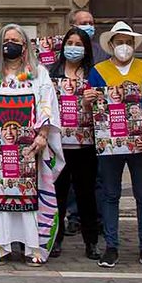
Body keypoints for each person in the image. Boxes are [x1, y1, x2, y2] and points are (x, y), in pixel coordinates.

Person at [0, 23, 62, 265]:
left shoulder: (39, 73)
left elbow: (47, 104)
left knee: (30, 197)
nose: (11, 43)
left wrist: (42, 135)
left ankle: (34, 247)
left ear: (24, 45)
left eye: (16, 40)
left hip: (30, 148)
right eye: (7, 39)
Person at [92, 22, 142, 269]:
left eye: (128, 42)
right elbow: (93, 109)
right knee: (110, 194)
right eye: (119, 42)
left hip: (140, 140)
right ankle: (111, 246)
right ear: (111, 45)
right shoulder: (98, 71)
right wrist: (88, 100)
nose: (124, 47)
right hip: (110, 142)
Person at [50, 26, 103, 261]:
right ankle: (55, 239)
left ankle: (91, 241)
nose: (74, 48)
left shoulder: (93, 74)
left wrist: (93, 102)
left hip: (85, 144)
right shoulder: (52, 72)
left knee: (86, 194)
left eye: (78, 44)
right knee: (57, 194)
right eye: (70, 43)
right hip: (58, 144)